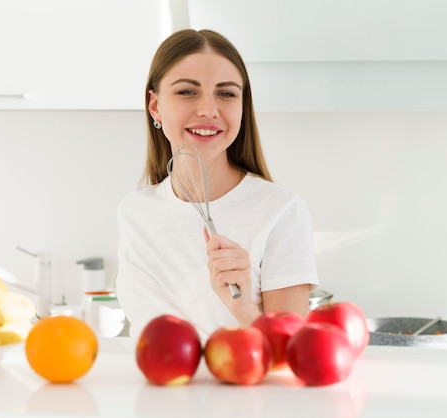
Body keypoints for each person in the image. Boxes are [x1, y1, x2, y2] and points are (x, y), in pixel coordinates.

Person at [115, 29, 319, 341]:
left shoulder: (281, 212)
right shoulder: (135, 211)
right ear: (154, 105)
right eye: (187, 92)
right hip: (153, 389)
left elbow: (286, 355)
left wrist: (242, 307)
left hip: (240, 390)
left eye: (226, 93)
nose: (209, 110)